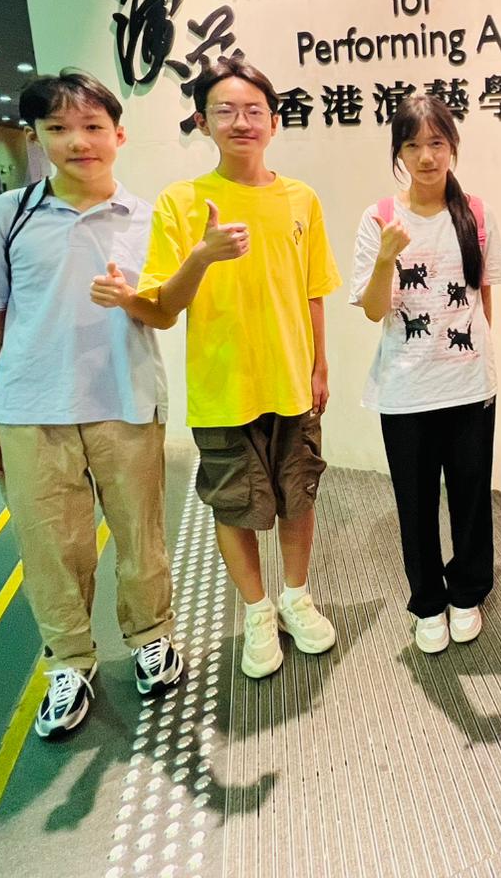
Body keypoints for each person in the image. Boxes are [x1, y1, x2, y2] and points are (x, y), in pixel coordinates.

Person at [0, 70, 179, 739]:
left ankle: (151, 637)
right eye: (58, 128)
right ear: (36, 137)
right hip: (30, 410)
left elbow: (165, 312)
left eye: (91, 127)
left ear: (119, 135)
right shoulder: (4, 218)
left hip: (126, 400)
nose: (78, 141)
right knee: (52, 547)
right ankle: (70, 660)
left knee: (141, 535)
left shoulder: (151, 218)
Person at [107, 56, 340, 680]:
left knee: (299, 495)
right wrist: (203, 256)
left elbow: (314, 292)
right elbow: (163, 308)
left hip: (292, 382)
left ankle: (296, 597)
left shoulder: (302, 199)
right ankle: (258, 611)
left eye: (254, 110)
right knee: (235, 506)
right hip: (221, 387)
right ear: (203, 122)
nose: (241, 122)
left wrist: (320, 366)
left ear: (274, 121)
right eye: (225, 111)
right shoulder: (182, 203)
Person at [352, 94, 501, 654]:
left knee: (471, 498)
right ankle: (427, 601)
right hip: (405, 391)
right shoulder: (379, 218)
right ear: (398, 152)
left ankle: (467, 592)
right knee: (415, 504)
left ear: (452, 147)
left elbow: (483, 298)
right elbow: (373, 310)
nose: (426, 157)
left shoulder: (478, 214)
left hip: (468, 387)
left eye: (437, 143)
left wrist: (478, 363)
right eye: (413, 145)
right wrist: (384, 258)